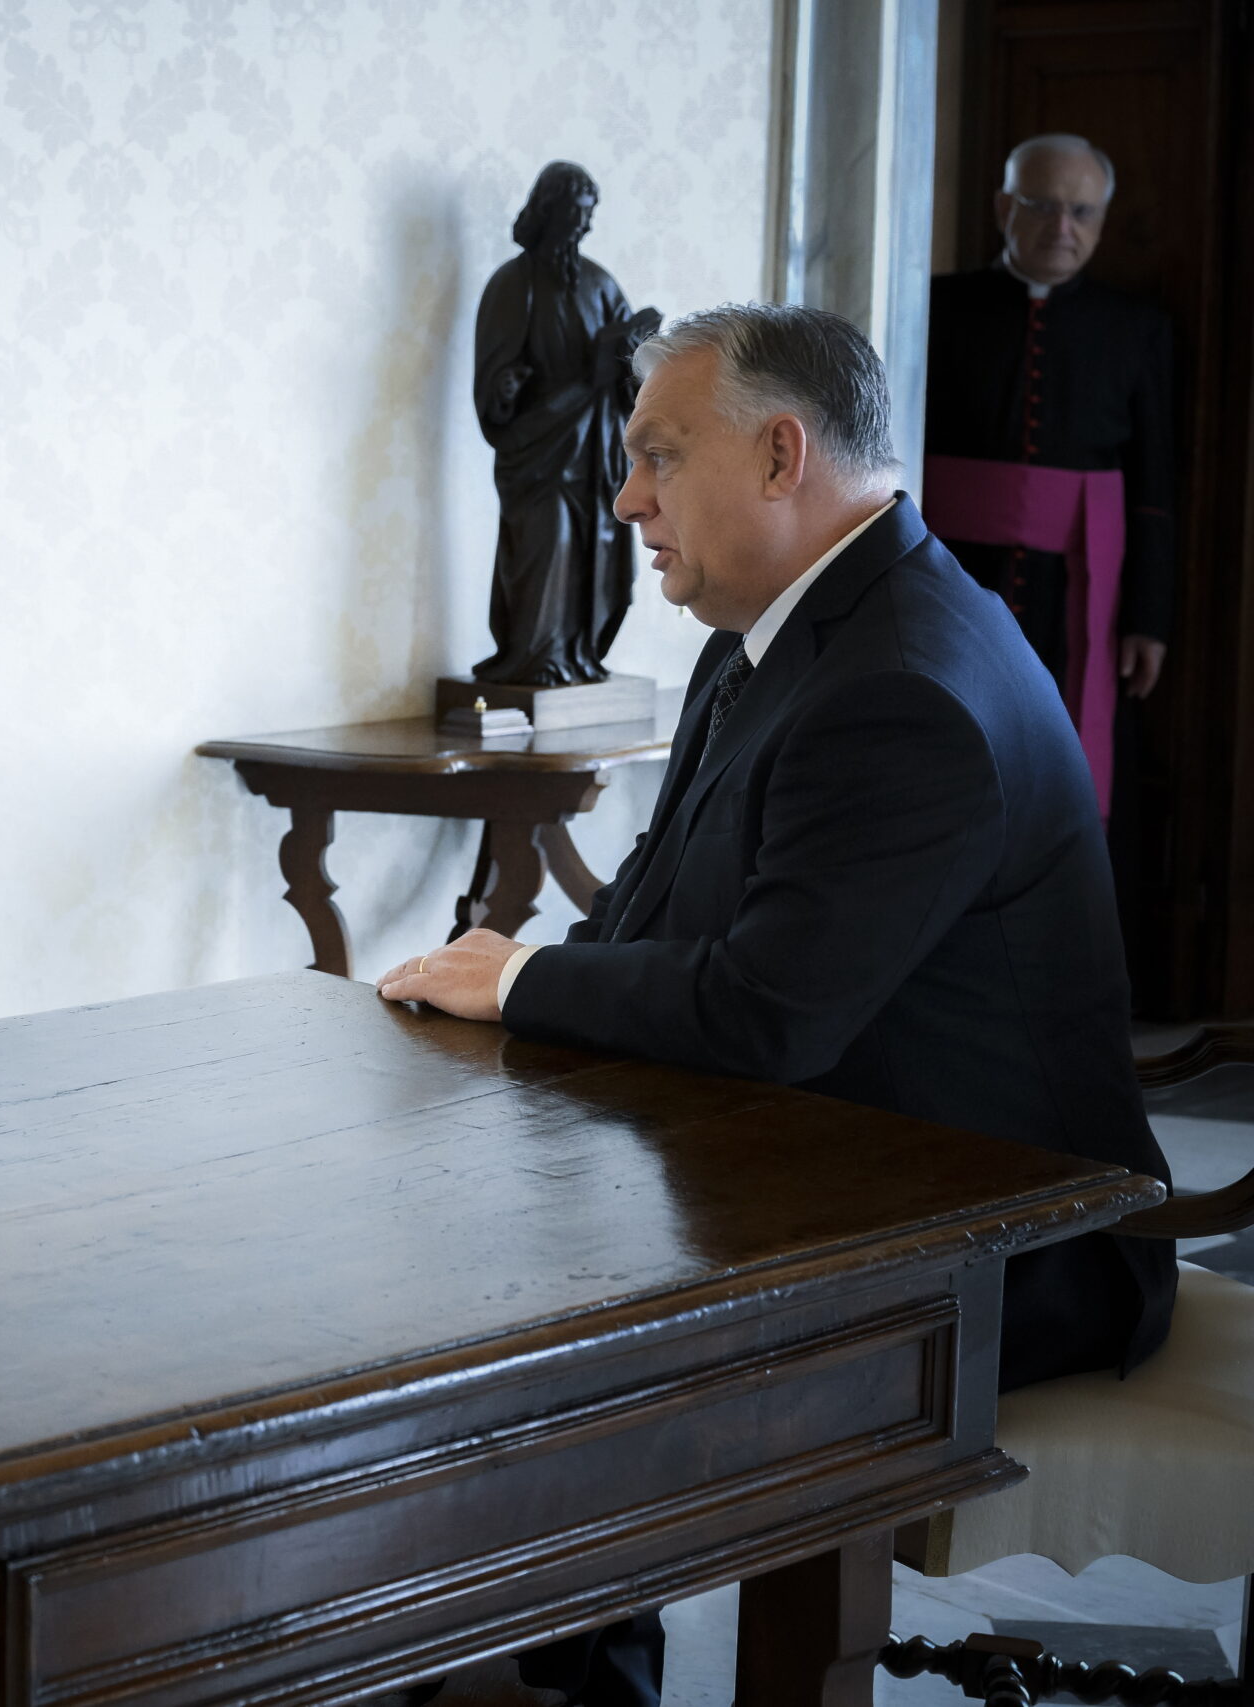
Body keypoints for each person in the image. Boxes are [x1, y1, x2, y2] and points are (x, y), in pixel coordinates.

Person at [377, 302, 1177, 1707]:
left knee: (547, 1325)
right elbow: (646, 913)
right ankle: (520, 1661)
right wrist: (508, 986)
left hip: (1005, 1245)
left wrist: (515, 979)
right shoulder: (773, 632)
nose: (624, 501)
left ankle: (558, 1679)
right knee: (468, 1256)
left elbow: (765, 1014)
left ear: (779, 455)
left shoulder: (903, 684)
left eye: (657, 456)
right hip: (838, 1169)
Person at [924, 134, 1176, 816]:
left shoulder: (1137, 329)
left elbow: (1153, 488)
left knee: (1061, 762)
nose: (1063, 227)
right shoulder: (938, 305)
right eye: (1041, 206)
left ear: (1101, 219)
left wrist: (1149, 617)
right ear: (1004, 207)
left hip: (1077, 588)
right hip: (955, 571)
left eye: (1082, 211)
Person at [469, 161, 660, 687]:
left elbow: (636, 372)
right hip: (540, 449)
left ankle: (580, 657)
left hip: (597, 452)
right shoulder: (514, 285)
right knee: (545, 547)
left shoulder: (600, 284)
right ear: (548, 210)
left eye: (589, 214)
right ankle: (536, 661)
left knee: (599, 557)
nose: (584, 225)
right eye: (576, 213)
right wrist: (506, 389)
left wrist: (630, 357)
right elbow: (493, 376)